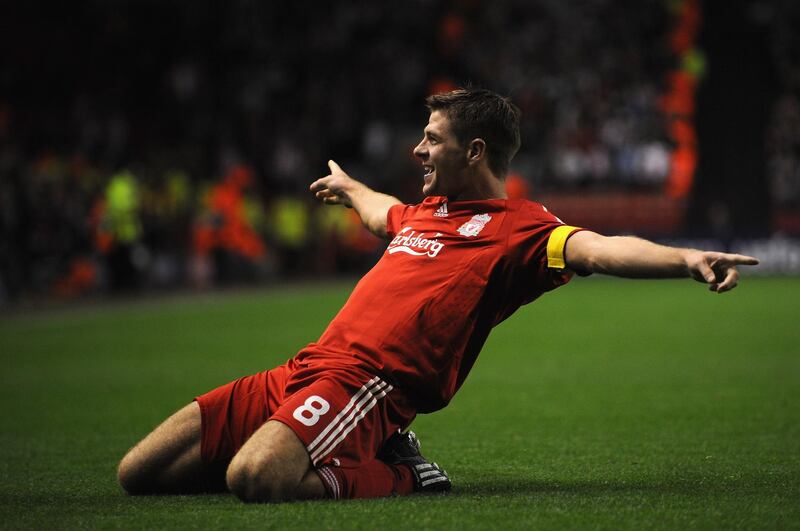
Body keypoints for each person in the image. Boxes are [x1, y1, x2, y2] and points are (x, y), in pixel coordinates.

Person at [117, 88, 759, 503]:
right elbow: (381, 211)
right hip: (303, 370)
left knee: (254, 478)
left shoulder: (521, 230)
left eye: (432, 138)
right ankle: (317, 446)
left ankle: (401, 472)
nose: (418, 148)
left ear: (474, 149)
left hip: (366, 386)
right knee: (138, 475)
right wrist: (352, 188)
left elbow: (600, 247)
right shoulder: (425, 212)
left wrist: (684, 258)